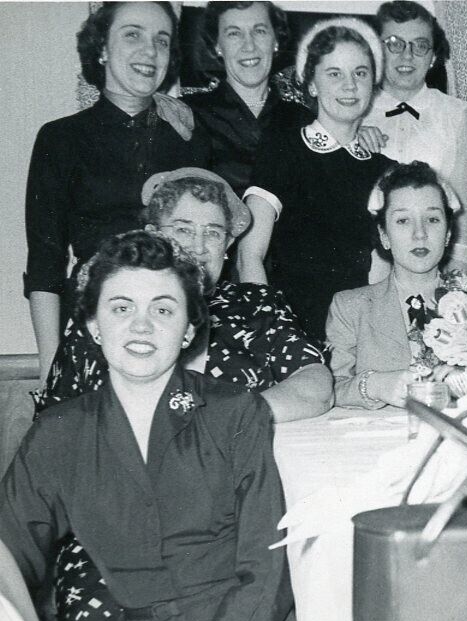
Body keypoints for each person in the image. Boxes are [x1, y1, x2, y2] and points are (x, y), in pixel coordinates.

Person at [1, 231, 291, 621]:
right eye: (121, 308)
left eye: (163, 309)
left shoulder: (236, 413)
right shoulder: (58, 433)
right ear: (93, 325)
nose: (142, 325)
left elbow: (268, 570)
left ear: (189, 330)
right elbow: (7, 550)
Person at [35, 167, 332, 423]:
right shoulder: (106, 309)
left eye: (213, 233)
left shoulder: (257, 306)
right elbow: (54, 421)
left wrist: (226, 417)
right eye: (183, 230)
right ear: (153, 235)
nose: (199, 247)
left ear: (227, 244)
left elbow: (315, 385)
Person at [25, 2, 210, 382]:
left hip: (170, 326)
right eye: (132, 35)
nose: (149, 51)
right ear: (102, 49)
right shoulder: (60, 139)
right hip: (92, 323)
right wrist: (50, 366)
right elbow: (45, 263)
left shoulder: (190, 139)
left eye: (162, 40)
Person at [237, 18, 394, 341]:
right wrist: (274, 335)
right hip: (287, 325)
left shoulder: (385, 170)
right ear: (311, 84)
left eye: (360, 73)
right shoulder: (284, 147)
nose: (349, 86)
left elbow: (381, 273)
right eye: (334, 74)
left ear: (374, 84)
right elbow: (249, 254)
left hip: (354, 331)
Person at [360, 0, 467, 278]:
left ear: (434, 56)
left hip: (433, 263)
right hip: (364, 265)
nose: (407, 56)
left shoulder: (460, 114)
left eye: (420, 45)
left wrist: (459, 270)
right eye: (394, 43)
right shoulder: (353, 110)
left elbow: (464, 201)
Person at [326, 162, 459, 408]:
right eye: (402, 221)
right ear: (384, 235)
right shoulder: (350, 307)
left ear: (448, 234)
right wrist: (374, 385)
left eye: (432, 219)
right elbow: (328, 389)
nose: (420, 234)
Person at [184, 1, 314, 196]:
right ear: (218, 45)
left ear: (276, 41)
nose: (249, 45)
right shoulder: (189, 115)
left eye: (259, 31)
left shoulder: (303, 120)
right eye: (234, 33)